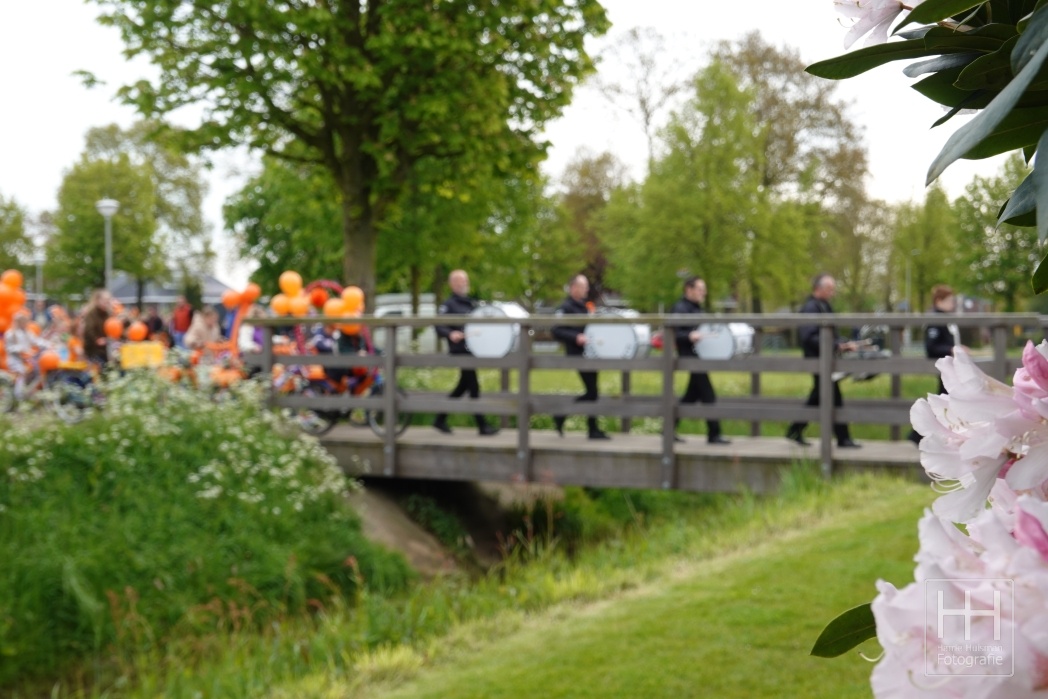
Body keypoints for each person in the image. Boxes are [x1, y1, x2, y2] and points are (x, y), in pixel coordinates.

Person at [785, 273, 861, 448]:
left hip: (826, 360)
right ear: (818, 288)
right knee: (833, 397)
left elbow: (830, 334)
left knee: (819, 396)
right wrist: (836, 345)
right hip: (817, 360)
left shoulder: (824, 305)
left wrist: (841, 343)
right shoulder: (811, 308)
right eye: (829, 289)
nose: (832, 293)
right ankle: (843, 438)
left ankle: (795, 430)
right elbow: (809, 336)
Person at [433, 270, 498, 435]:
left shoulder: (471, 303)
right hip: (460, 350)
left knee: (463, 386)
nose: (464, 284)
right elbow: (438, 325)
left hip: (471, 350)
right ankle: (482, 425)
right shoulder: (449, 305)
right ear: (452, 284)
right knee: (473, 386)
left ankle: (439, 419)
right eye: (460, 281)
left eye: (465, 280)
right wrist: (450, 333)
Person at [670, 276, 730, 445]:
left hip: (699, 357)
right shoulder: (680, 308)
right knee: (708, 394)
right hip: (690, 357)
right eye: (700, 289)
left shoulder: (696, 308)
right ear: (689, 289)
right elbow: (673, 333)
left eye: (704, 289)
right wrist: (689, 335)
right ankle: (714, 434)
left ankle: (668, 429)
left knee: (691, 396)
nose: (703, 292)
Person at [552, 274, 609, 440]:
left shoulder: (585, 306)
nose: (587, 290)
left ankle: (583, 424)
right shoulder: (565, 308)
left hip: (590, 353)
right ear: (574, 288)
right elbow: (556, 330)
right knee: (592, 391)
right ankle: (586, 426)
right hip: (578, 354)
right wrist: (576, 337)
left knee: (593, 392)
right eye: (583, 286)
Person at [909, 284, 963, 444]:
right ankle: (917, 435)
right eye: (949, 300)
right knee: (943, 401)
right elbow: (931, 347)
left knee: (945, 400)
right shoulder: (935, 319)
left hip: (948, 367)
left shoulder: (945, 318)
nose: (952, 303)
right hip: (944, 367)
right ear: (939, 300)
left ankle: (922, 435)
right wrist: (951, 349)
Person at [81, 289, 113, 368]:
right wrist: (96, 339)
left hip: (105, 348)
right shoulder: (91, 314)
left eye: (108, 300)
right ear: (98, 300)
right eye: (105, 300)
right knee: (100, 367)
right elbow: (89, 330)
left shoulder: (108, 314)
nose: (107, 303)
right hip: (94, 349)